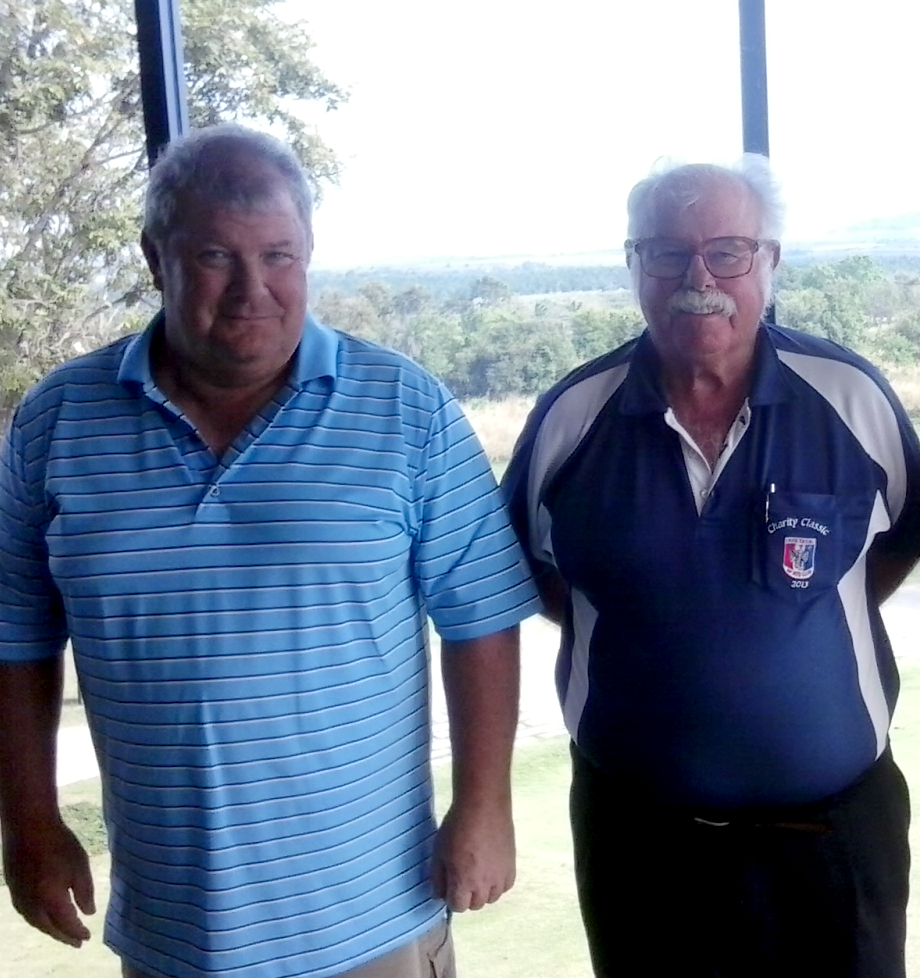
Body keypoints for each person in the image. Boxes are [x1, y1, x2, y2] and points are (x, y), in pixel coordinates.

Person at [0, 124, 541, 978]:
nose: (253, 289)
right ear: (155, 259)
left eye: (279, 256)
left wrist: (485, 806)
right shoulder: (57, 420)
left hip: (372, 917)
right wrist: (27, 821)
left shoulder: (406, 408)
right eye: (216, 257)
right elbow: (16, 634)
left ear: (309, 253)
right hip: (171, 929)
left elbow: (481, 615)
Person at [503, 157, 920, 977]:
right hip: (639, 841)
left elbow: (902, 538)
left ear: (770, 261)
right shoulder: (571, 417)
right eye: (667, 253)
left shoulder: (850, 397)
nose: (698, 279)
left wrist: (792, 619)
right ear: (634, 264)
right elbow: (532, 569)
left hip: (835, 835)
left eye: (727, 252)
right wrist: (649, 620)